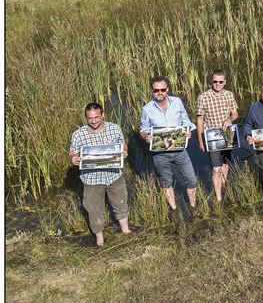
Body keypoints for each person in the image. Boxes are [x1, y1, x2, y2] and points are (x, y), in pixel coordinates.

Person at [68, 102, 131, 247]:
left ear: (102, 115)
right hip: (91, 178)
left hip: (113, 175)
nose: (94, 121)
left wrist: (124, 151)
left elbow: (123, 144)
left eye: (96, 117)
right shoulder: (78, 134)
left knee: (120, 202)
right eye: (90, 118)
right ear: (85, 118)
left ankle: (125, 230)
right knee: (93, 209)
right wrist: (73, 159)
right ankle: (99, 238)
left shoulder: (114, 128)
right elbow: (72, 152)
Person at [140, 76, 198, 211]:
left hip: (179, 151)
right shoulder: (147, 109)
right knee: (167, 183)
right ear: (151, 91)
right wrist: (146, 137)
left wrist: (188, 130)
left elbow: (186, 121)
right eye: (156, 90)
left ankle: (193, 207)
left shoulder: (177, 102)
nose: (159, 92)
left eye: (162, 89)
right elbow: (143, 129)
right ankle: (174, 210)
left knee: (191, 179)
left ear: (167, 89)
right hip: (160, 154)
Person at [195, 69, 239, 203]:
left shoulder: (229, 95)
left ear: (225, 82)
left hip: (227, 134)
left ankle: (224, 186)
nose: (218, 84)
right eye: (215, 81)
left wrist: (230, 120)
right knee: (216, 168)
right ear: (211, 82)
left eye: (220, 82)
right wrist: (201, 140)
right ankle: (219, 198)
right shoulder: (203, 97)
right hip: (212, 136)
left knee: (225, 164)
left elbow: (235, 114)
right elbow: (199, 120)